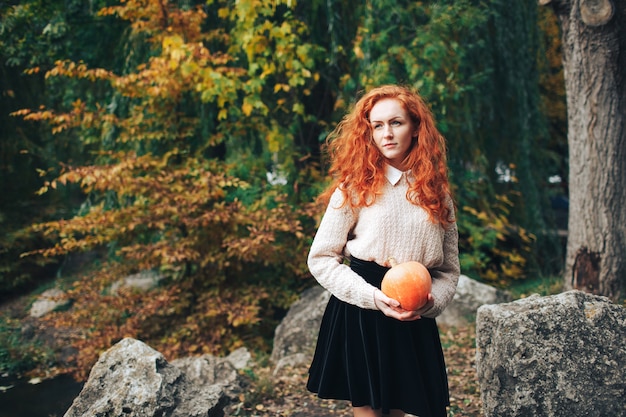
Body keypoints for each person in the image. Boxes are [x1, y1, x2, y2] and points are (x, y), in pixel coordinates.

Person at [306, 84, 460, 417]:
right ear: (368, 132)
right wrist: (374, 298)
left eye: (396, 123)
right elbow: (320, 259)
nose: (386, 133)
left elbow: (449, 269)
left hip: (414, 310)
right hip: (362, 311)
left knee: (402, 411)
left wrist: (432, 302)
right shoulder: (355, 188)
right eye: (377, 126)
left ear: (416, 127)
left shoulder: (436, 192)